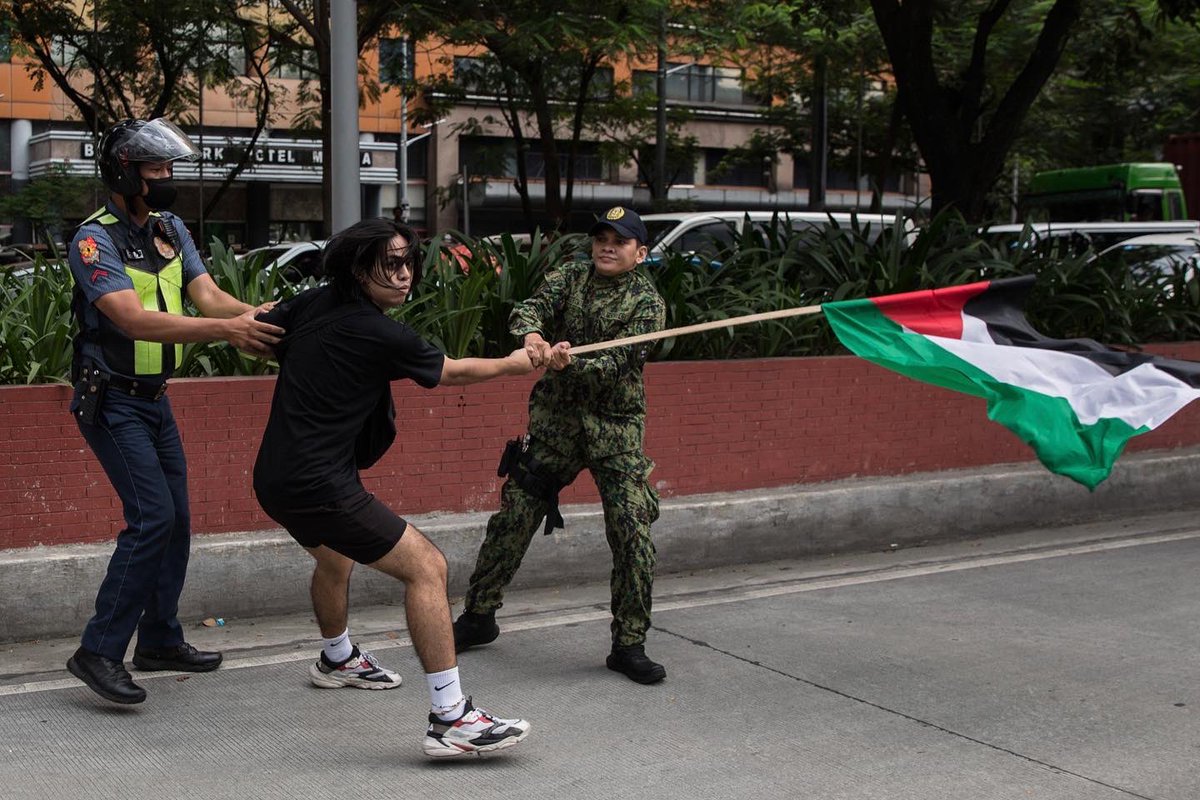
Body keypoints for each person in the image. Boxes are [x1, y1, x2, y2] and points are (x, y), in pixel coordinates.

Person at [252, 218, 535, 759]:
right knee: (426, 567)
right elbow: (451, 372)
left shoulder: (312, 304)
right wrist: (518, 363)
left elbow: (259, 337)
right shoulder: (377, 330)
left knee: (334, 560)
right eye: (392, 264)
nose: (406, 276)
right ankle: (452, 719)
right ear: (359, 269)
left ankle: (336, 660)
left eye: (410, 263)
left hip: (276, 478)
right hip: (319, 484)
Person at [65, 118, 285, 705]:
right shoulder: (93, 240)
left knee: (177, 522)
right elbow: (131, 318)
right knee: (151, 520)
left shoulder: (170, 229)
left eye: (169, 168)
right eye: (154, 169)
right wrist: (225, 330)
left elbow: (208, 295)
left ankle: (159, 639)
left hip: (154, 400)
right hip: (110, 399)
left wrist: (257, 315)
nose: (166, 178)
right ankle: (98, 650)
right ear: (122, 172)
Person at [452, 206, 669, 684]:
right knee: (513, 517)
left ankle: (628, 644)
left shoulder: (647, 303)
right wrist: (532, 334)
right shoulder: (570, 276)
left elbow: (617, 362)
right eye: (601, 238)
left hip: (615, 432)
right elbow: (530, 308)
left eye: (620, 240)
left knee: (634, 534)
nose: (607, 246)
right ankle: (479, 616)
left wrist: (570, 363)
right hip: (555, 426)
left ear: (641, 253)